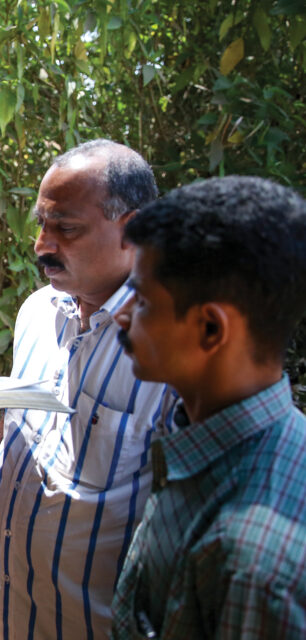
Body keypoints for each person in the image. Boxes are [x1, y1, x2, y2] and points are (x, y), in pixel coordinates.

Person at [0, 140, 178, 640]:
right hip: (11, 610)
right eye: (42, 223)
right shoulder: (38, 311)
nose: (42, 244)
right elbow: (15, 424)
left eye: (67, 229)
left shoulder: (173, 346)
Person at [110, 176, 306, 639]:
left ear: (210, 330)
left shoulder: (253, 567)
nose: (121, 315)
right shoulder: (211, 441)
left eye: (142, 300)